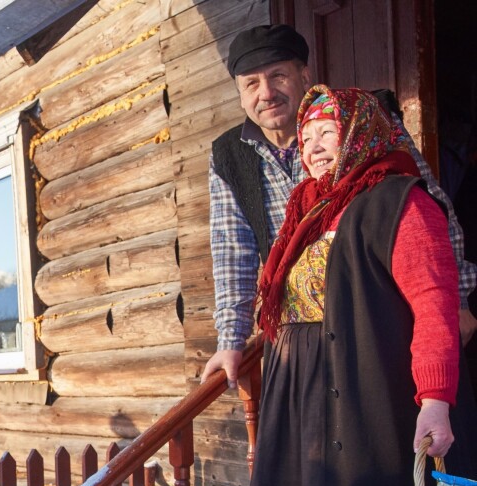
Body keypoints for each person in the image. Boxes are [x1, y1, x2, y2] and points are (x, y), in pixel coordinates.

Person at [237, 86, 477, 486]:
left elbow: (434, 309)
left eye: (327, 136)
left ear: (360, 137)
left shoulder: (401, 203)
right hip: (301, 407)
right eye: (307, 138)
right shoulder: (309, 212)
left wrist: (436, 401)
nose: (313, 149)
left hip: (371, 400)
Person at [202, 24, 477, 388]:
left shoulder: (366, 121)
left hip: (385, 317)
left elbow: (430, 209)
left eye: (278, 76)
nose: (266, 93)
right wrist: (231, 342)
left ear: (304, 77)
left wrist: (457, 302)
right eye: (251, 83)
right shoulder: (228, 156)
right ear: (240, 94)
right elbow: (232, 255)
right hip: (306, 335)